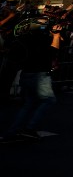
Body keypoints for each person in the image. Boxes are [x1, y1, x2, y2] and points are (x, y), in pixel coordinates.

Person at [1, 13, 63, 142]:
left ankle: (13, 132)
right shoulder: (41, 39)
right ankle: (29, 128)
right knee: (48, 100)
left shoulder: (23, 39)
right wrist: (56, 35)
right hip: (40, 75)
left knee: (29, 103)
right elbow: (53, 51)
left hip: (26, 74)